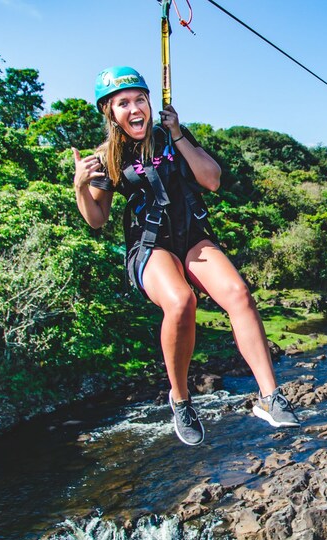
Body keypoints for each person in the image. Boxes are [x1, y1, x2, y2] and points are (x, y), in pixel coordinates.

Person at [73, 66, 299, 446]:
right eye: (123, 103)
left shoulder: (170, 135)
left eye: (139, 99)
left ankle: (269, 396)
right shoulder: (107, 158)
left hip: (192, 236)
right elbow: (96, 220)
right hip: (149, 245)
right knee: (181, 301)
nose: (134, 109)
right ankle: (180, 400)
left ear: (149, 102)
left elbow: (211, 179)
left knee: (239, 294)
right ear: (110, 113)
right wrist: (81, 186)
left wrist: (177, 134)